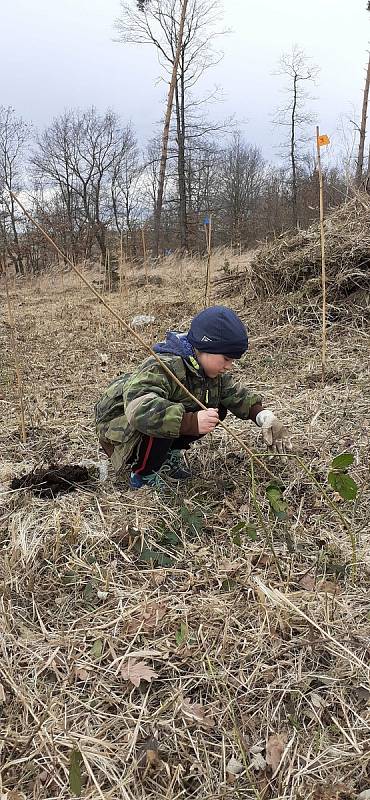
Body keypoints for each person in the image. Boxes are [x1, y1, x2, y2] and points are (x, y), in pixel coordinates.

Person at [95, 306, 290, 490]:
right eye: (226, 359)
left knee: (216, 408)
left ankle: (166, 456)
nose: (229, 366)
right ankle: (143, 474)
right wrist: (190, 422)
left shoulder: (209, 371)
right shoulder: (165, 366)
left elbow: (235, 394)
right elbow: (139, 409)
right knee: (171, 413)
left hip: (142, 429)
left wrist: (263, 416)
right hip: (121, 434)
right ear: (205, 348)